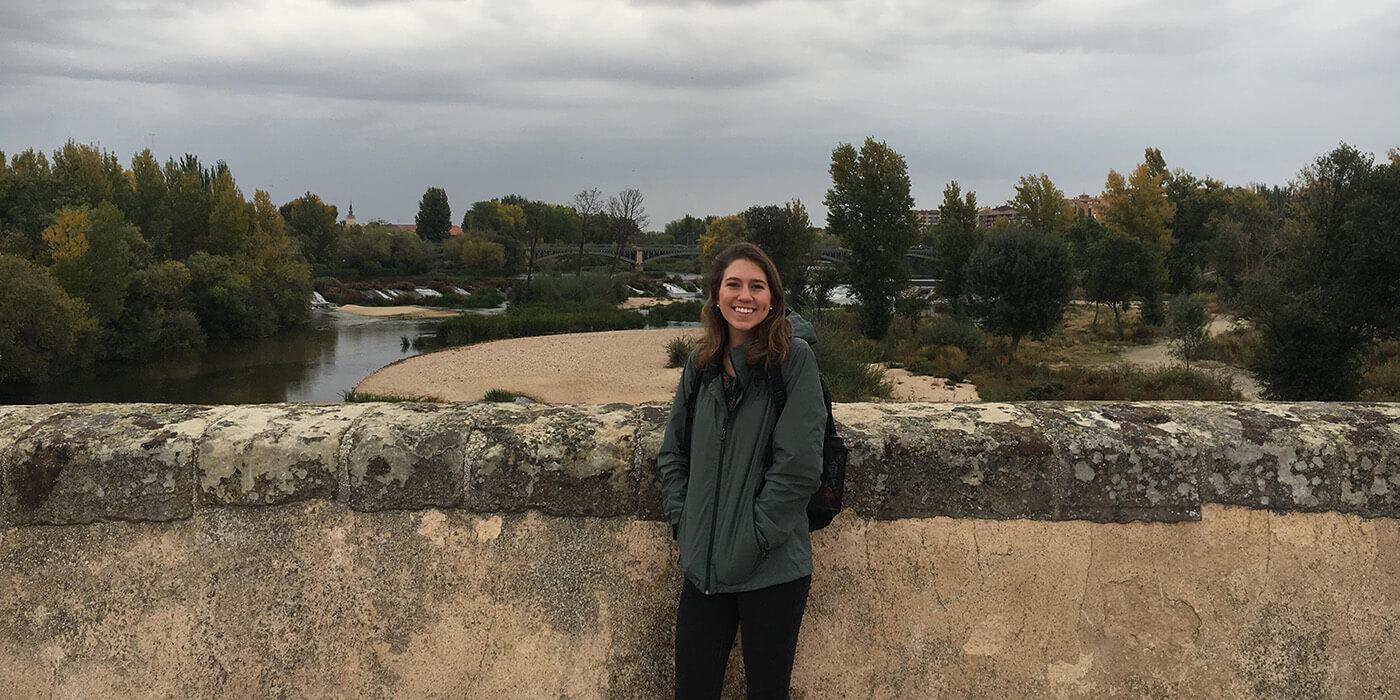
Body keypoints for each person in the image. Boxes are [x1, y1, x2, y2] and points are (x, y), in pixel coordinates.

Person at [656, 242, 827, 699]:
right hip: (703, 567)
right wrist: (684, 522)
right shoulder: (701, 363)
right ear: (716, 295)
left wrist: (754, 538)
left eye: (757, 286)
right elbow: (672, 453)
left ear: (773, 299)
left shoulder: (794, 360)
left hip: (772, 569)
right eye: (733, 285)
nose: (744, 296)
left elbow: (800, 466)